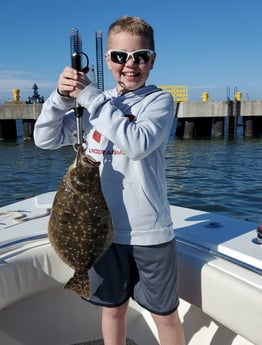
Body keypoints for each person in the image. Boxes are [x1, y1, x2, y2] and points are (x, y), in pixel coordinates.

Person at [34, 15, 185, 345]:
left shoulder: (158, 102)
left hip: (150, 232)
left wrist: (91, 98)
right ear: (108, 59)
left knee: (165, 314)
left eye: (140, 56)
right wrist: (60, 97)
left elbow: (137, 144)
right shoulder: (94, 108)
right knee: (113, 308)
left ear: (152, 60)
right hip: (102, 234)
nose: (130, 65)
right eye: (120, 56)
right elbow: (43, 139)